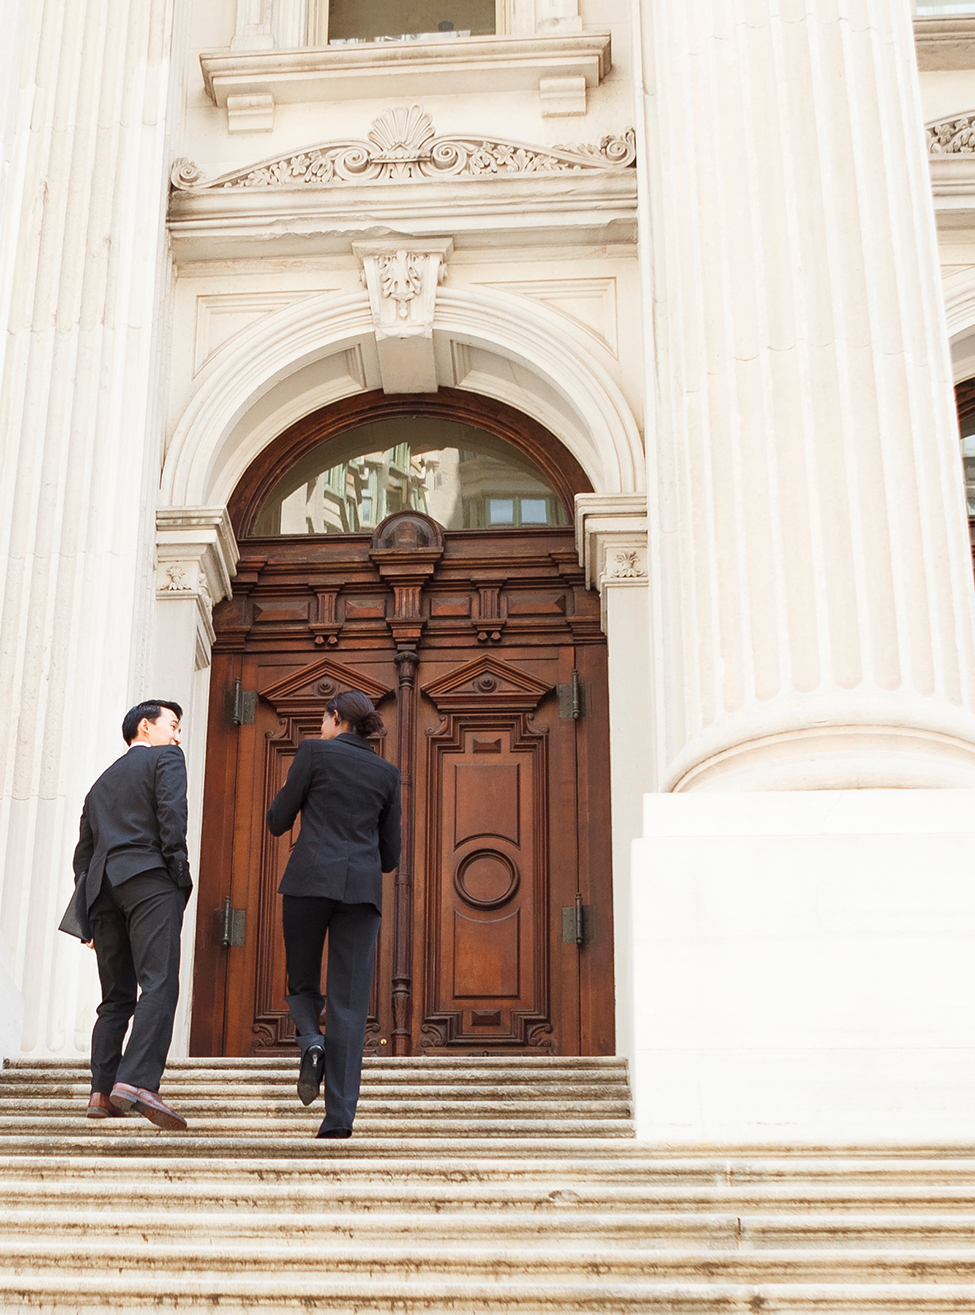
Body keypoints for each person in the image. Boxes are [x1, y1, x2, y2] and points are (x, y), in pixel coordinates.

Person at [267, 689, 401, 1139]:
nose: (320, 726)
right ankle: (339, 1120)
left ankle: (311, 1041)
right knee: (349, 1003)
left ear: (335, 717)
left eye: (323, 719)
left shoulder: (313, 753)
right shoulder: (386, 773)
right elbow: (390, 855)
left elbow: (277, 819)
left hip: (308, 881)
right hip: (361, 891)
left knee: (302, 981)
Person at [68, 700, 192, 1130]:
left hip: (102, 889)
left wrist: (86, 911)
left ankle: (100, 1092)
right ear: (146, 725)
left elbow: (81, 857)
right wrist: (179, 873)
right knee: (159, 982)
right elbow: (172, 816)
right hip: (148, 877)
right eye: (172, 725)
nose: (177, 736)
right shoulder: (167, 758)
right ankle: (137, 1082)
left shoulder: (99, 784)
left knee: (115, 997)